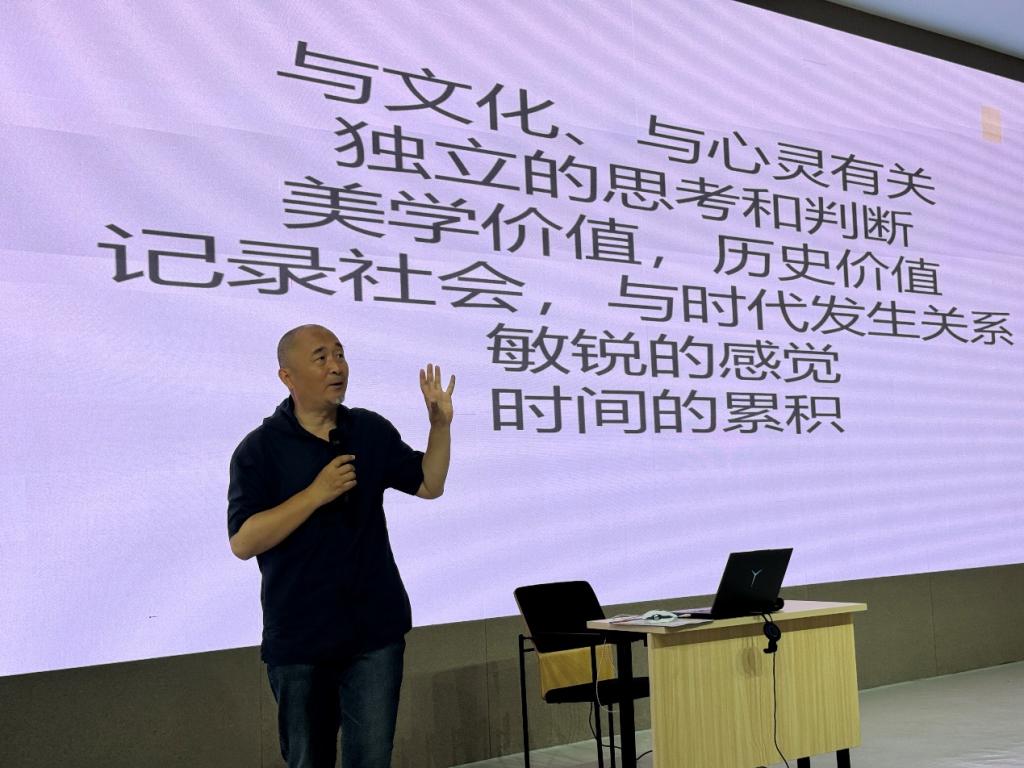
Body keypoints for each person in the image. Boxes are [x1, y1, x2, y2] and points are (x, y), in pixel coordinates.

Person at [227, 324, 454, 768]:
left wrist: (440, 426)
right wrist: (315, 494)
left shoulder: (368, 430)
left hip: (375, 634)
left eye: (340, 354)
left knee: (371, 759)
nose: (336, 367)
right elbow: (243, 541)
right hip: (300, 640)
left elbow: (429, 484)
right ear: (287, 376)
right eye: (321, 357)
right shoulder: (259, 449)